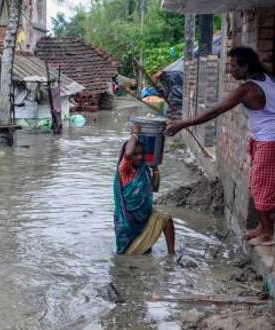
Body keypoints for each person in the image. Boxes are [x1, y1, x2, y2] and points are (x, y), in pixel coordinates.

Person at [165, 46, 275, 246]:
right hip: (264, 139)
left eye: (233, 66)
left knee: (261, 187)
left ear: (246, 66)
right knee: (263, 184)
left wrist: (183, 124)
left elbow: (214, 111)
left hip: (269, 142)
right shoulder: (267, 78)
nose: (230, 71)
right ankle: (263, 226)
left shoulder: (248, 88)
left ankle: (267, 233)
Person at [114, 126, 176, 255]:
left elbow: (154, 188)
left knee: (167, 220)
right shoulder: (124, 170)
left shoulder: (143, 170)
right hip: (128, 222)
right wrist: (134, 134)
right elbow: (128, 154)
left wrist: (156, 169)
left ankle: (171, 254)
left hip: (144, 218)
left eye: (142, 154)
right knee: (129, 255)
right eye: (136, 154)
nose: (139, 157)